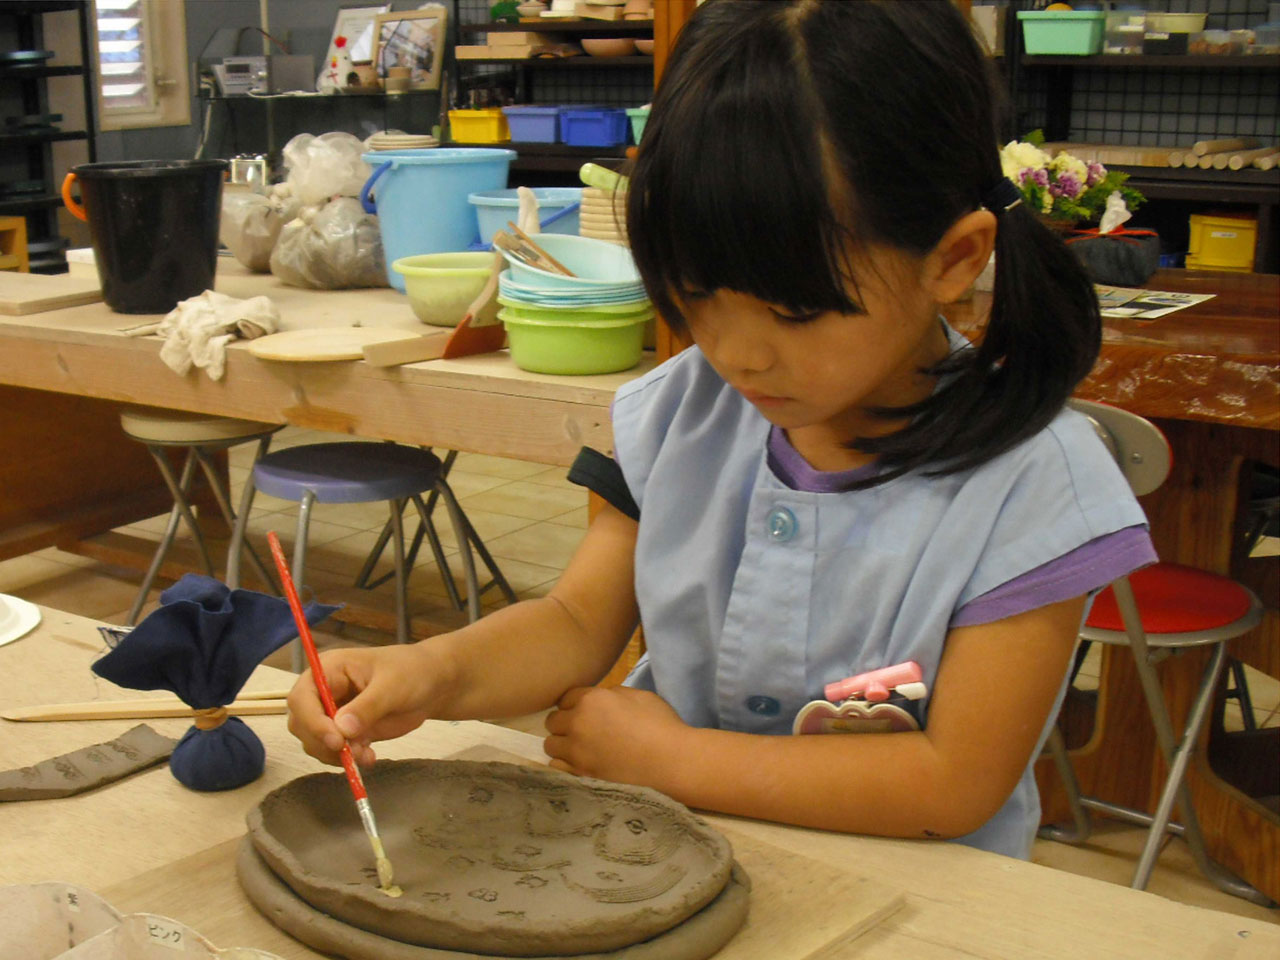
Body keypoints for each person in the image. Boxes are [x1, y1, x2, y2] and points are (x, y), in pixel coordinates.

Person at [288, 0, 1155, 860]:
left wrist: (675, 760)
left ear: (954, 259)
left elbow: (953, 782)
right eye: (697, 295)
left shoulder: (1035, 485)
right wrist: (431, 673)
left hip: (917, 902)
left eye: (796, 310)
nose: (738, 356)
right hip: (671, 866)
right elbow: (574, 621)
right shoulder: (681, 411)